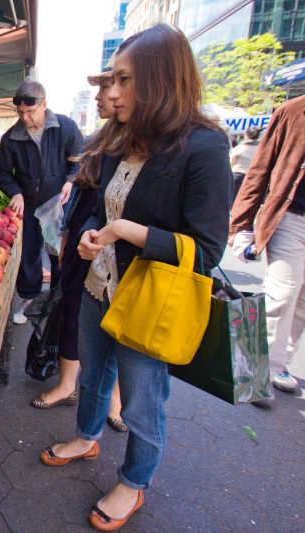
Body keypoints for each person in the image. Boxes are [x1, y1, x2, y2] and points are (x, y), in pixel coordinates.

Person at [40, 25, 231, 531]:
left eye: (125, 80)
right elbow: (97, 207)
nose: (112, 92)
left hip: (151, 300)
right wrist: (88, 234)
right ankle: (85, 437)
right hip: (99, 286)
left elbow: (209, 250)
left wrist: (131, 232)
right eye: (113, 80)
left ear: (161, 81)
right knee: (95, 373)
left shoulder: (203, 147)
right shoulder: (121, 138)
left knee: (144, 400)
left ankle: (134, 480)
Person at [32, 64, 127, 435]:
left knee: (121, 327)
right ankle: (67, 384)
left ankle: (116, 402)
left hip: (122, 248)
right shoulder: (99, 138)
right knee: (72, 310)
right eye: (104, 88)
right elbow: (88, 184)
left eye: (109, 88)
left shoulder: (141, 144)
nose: (102, 97)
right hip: (84, 240)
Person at [230, 95, 305, 395]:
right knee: (282, 292)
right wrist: (241, 226)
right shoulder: (292, 111)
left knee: (302, 300)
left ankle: (280, 363)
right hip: (291, 216)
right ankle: (258, 373)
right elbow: (259, 168)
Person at [0, 80, 83, 325]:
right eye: (20, 112)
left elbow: (80, 160)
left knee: (58, 252)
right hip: (30, 204)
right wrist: (15, 192)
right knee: (30, 253)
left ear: (44, 104)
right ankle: (30, 297)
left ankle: (57, 298)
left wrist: (71, 181)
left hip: (58, 201)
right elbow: (0, 170)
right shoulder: (12, 137)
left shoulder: (65, 127)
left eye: (30, 112)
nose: (25, 117)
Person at [229, 126, 261, 202]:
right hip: (253, 177)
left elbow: (231, 162)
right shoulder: (260, 148)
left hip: (238, 176)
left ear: (246, 135)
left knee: (232, 201)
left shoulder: (240, 147)